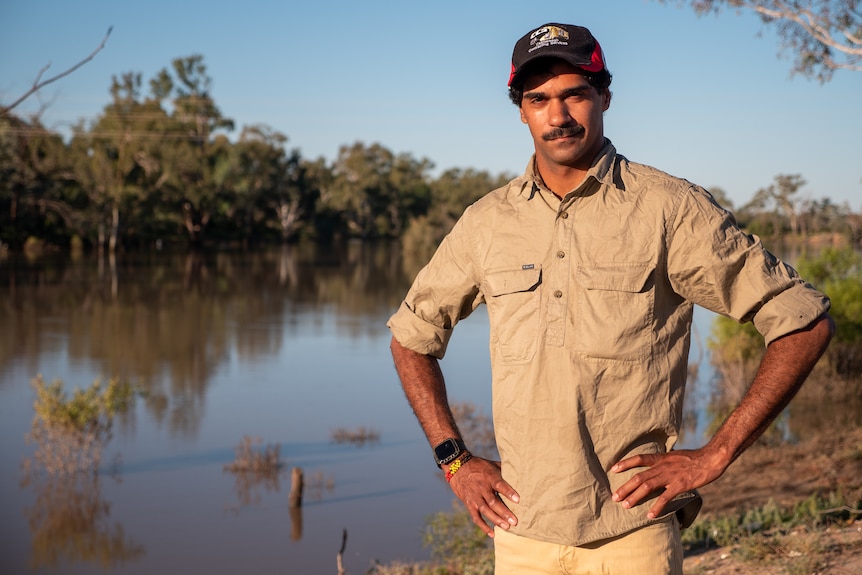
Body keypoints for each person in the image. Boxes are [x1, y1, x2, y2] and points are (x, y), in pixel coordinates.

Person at [387, 22, 834, 575]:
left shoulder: (669, 209)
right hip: (521, 531)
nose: (558, 115)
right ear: (521, 111)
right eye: (538, 99)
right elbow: (411, 337)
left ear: (604, 96)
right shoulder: (487, 222)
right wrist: (456, 462)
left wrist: (716, 454)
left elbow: (802, 320)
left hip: (632, 533)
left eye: (575, 93)